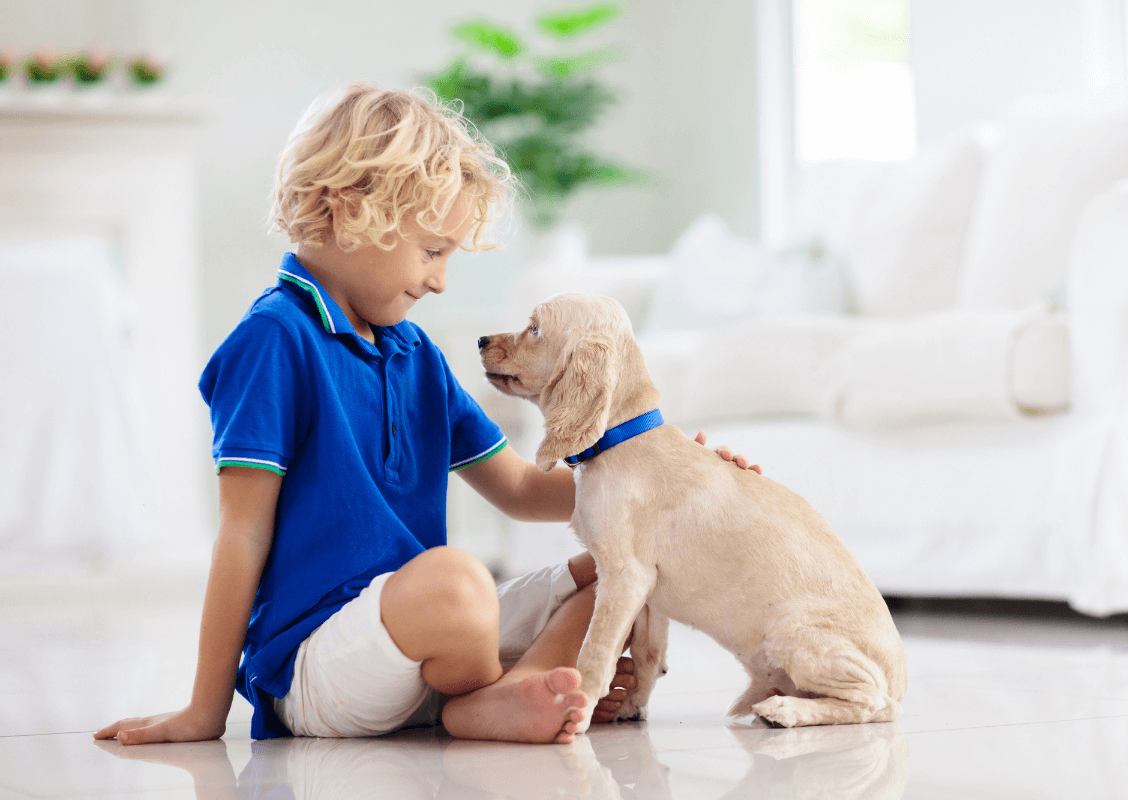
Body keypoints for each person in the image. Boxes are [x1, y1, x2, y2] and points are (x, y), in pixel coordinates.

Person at [94, 83, 761, 747]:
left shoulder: (415, 354)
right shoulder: (273, 341)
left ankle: (508, 691)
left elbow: (524, 490)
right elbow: (240, 535)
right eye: (434, 251)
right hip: (321, 665)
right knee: (459, 580)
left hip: (427, 641)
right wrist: (204, 711)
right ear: (353, 211)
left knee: (611, 569)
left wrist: (670, 484)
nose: (441, 280)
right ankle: (487, 695)